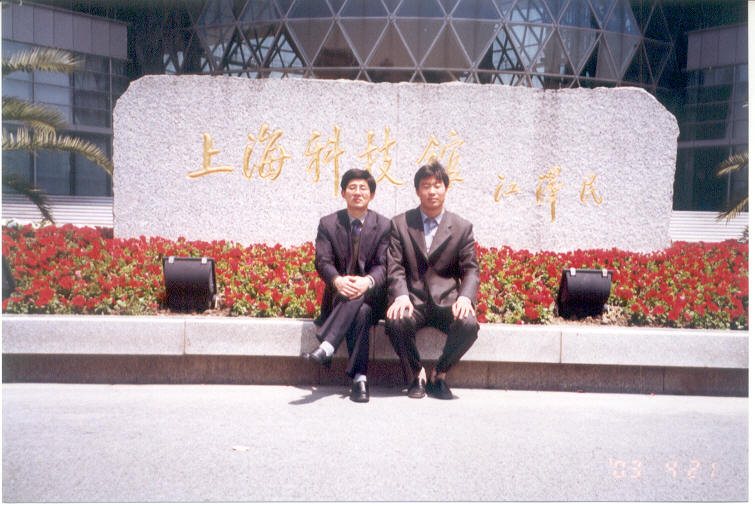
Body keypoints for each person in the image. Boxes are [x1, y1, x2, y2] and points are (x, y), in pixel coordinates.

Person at [385, 160, 480, 400]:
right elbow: (394, 266)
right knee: (396, 320)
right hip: (412, 301)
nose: (432, 191)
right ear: (417, 191)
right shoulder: (400, 223)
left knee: (469, 324)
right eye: (426, 186)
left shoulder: (461, 227)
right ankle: (416, 374)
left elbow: (470, 269)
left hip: (447, 302)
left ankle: (439, 373)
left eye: (437, 185)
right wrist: (401, 295)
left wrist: (465, 298)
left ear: (446, 189)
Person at [302, 168, 391, 403]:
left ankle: (328, 345)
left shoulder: (384, 225)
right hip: (339, 298)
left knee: (363, 302)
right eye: (352, 188)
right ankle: (360, 379)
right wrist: (338, 281)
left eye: (363, 188)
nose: (357, 192)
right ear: (343, 193)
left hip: (373, 295)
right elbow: (322, 261)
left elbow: (384, 265)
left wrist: (366, 282)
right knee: (361, 311)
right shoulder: (329, 223)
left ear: (372, 195)